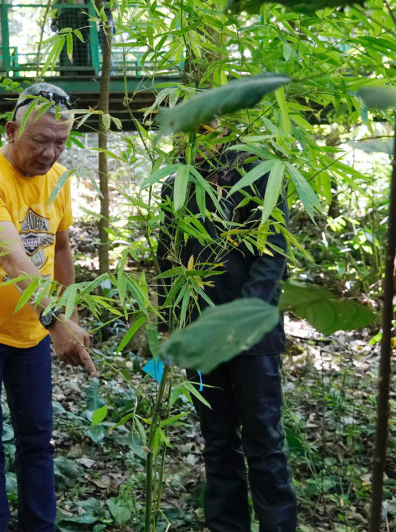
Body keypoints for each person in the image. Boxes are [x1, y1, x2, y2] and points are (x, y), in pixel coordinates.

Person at [0, 82, 96, 531]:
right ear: (12, 131)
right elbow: (12, 256)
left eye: (60, 143)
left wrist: (66, 314)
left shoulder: (59, 180)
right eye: (40, 141)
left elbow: (61, 248)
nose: (50, 153)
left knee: (38, 441)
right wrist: (56, 321)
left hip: (31, 335)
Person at [156, 134, 298, 531]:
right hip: (198, 333)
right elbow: (167, 253)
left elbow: (271, 256)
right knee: (217, 443)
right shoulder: (176, 183)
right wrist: (170, 325)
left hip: (252, 337)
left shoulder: (258, 174)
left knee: (264, 441)